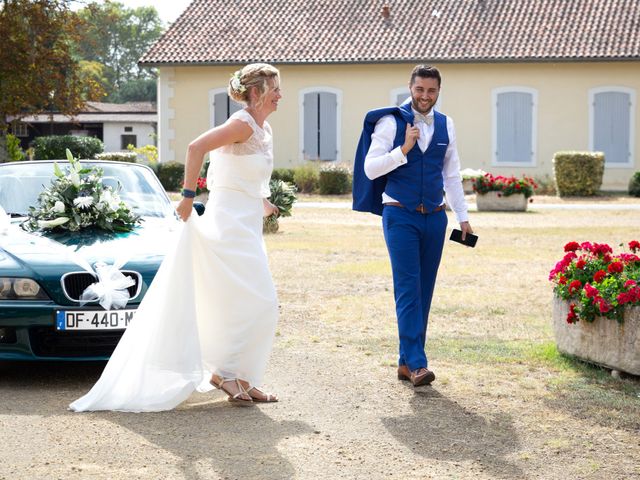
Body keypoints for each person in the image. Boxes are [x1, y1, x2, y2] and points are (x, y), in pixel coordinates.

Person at [70, 63, 282, 411]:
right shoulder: (241, 123)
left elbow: (239, 170)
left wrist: (262, 201)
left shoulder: (264, 127)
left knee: (244, 301)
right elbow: (195, 148)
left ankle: (242, 378)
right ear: (256, 93)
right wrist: (186, 197)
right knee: (263, 300)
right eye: (275, 88)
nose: (280, 95)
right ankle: (224, 373)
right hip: (228, 225)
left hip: (247, 222)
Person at [352, 64, 473, 387]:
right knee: (408, 287)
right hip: (400, 214)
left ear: (438, 92)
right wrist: (403, 149)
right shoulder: (391, 122)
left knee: (425, 289)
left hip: (435, 217)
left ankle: (405, 362)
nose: (425, 96)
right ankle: (419, 364)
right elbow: (371, 168)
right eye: (419, 89)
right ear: (410, 88)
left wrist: (462, 216)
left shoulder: (447, 124)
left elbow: (451, 174)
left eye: (431, 90)